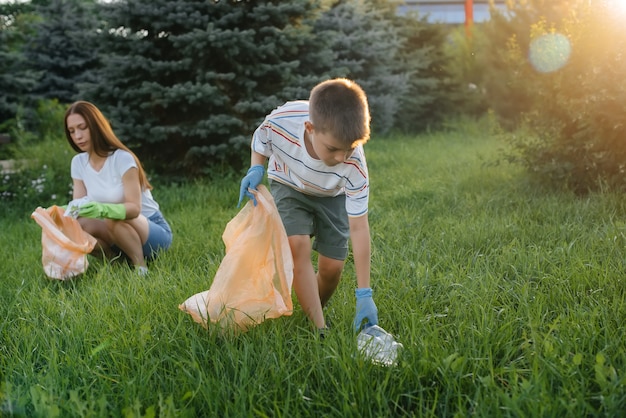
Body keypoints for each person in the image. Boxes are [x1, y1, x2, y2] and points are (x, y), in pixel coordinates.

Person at [238, 78, 378, 334]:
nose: (341, 158)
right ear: (310, 127)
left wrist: (364, 292)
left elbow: (359, 228)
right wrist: (256, 166)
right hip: (289, 183)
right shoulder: (284, 121)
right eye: (333, 148)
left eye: (349, 149)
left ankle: (313, 308)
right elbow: (262, 135)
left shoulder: (354, 164)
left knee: (332, 268)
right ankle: (319, 329)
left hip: (331, 195)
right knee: (297, 245)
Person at [64, 101, 172, 275]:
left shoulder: (122, 158)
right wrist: (58, 214)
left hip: (152, 232)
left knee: (113, 216)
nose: (77, 136)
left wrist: (103, 209)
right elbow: (78, 207)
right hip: (117, 234)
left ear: (96, 126)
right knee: (77, 225)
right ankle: (115, 262)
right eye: (72, 131)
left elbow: (134, 209)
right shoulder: (78, 163)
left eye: (82, 127)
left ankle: (140, 267)